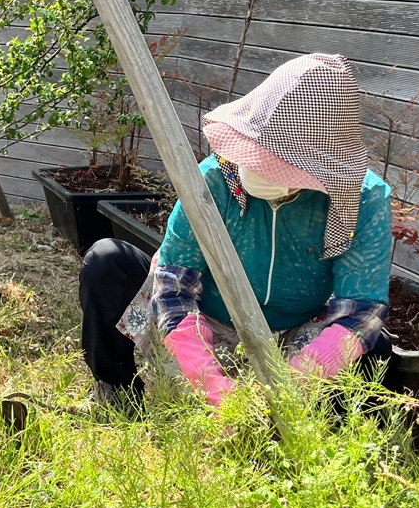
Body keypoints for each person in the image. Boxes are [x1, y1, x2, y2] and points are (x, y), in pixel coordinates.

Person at [79, 53, 393, 405]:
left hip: (293, 336)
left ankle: (306, 428)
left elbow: (361, 309)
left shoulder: (363, 200)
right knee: (107, 261)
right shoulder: (213, 178)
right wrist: (205, 375)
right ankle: (121, 394)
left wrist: (300, 376)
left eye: (278, 165)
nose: (259, 168)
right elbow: (173, 284)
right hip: (204, 321)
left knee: (375, 347)